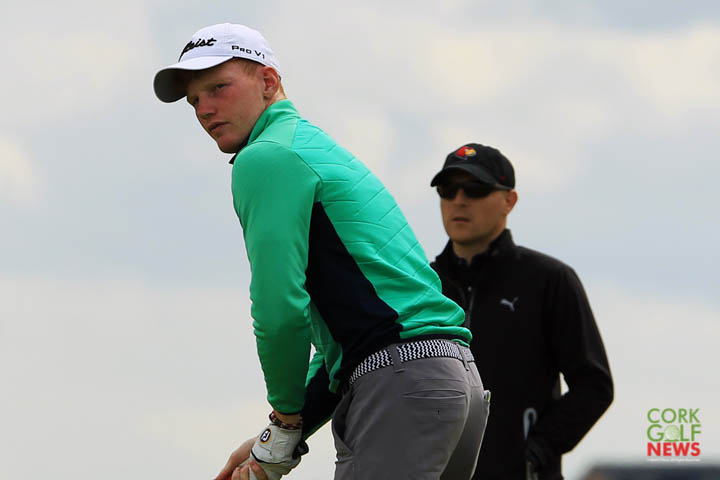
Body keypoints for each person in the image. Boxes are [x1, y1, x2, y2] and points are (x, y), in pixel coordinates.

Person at [153, 23, 490, 480]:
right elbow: (348, 336)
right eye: (194, 100)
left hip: (402, 387)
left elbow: (279, 309)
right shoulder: (313, 147)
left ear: (268, 81)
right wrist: (285, 431)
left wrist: (285, 421)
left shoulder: (267, 156)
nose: (205, 109)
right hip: (453, 383)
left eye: (218, 88)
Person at [429, 143, 614, 480]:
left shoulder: (549, 280)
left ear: (509, 200)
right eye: (448, 189)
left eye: (475, 189)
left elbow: (594, 385)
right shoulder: (422, 288)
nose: (459, 200)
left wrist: (535, 451)